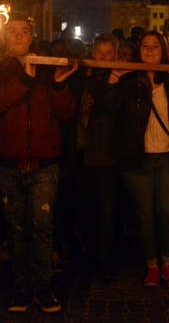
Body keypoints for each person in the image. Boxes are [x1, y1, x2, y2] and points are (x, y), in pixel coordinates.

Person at [0, 11, 77, 313]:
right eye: (12, 31)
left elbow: (67, 113)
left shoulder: (46, 69)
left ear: (31, 36)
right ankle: (22, 289)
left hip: (44, 165)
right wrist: (25, 77)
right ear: (3, 37)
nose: (19, 36)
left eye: (24, 31)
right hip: (7, 165)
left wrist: (59, 86)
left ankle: (43, 288)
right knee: (16, 230)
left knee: (42, 228)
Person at [107, 30, 169, 288]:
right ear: (139, 50)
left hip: (167, 157)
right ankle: (152, 266)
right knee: (145, 216)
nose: (151, 50)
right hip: (137, 159)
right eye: (145, 46)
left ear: (164, 50)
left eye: (156, 45)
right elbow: (110, 110)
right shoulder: (129, 80)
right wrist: (113, 78)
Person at [73, 33, 122, 281]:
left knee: (106, 207)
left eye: (108, 53)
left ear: (115, 55)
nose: (102, 57)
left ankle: (104, 256)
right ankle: (89, 253)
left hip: (105, 152)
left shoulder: (117, 79)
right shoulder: (83, 76)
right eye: (99, 53)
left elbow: (110, 106)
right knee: (85, 206)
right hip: (82, 149)